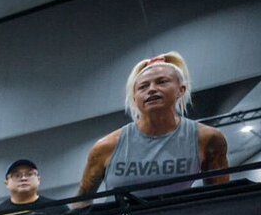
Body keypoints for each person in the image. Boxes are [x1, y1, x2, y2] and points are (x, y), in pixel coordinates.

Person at [79, 52, 228, 199]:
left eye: (162, 82)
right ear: (135, 98)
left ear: (181, 90)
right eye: (143, 86)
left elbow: (220, 198)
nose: (151, 89)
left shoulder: (207, 139)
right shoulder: (106, 147)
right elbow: (81, 203)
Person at [0, 159, 67, 215]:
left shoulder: (57, 208)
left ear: (39, 180)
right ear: (7, 183)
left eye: (29, 174)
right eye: (17, 175)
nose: (23, 178)